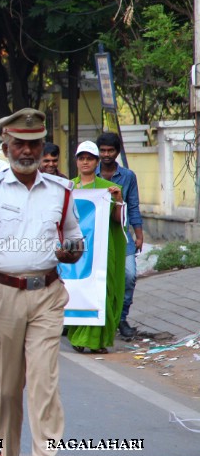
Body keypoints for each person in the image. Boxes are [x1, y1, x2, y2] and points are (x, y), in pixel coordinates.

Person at [0, 108, 84, 456]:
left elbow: (74, 240)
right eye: (20, 144)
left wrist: (70, 252)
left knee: (45, 383)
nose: (28, 151)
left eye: (34, 144)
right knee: (6, 387)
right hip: (0, 294)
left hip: (47, 293)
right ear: (6, 147)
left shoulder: (61, 191)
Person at [65, 141, 125, 355]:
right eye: (81, 158)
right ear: (76, 161)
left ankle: (98, 340)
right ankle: (79, 337)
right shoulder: (68, 187)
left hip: (101, 250)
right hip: (76, 250)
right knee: (78, 289)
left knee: (103, 290)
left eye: (89, 158)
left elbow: (118, 221)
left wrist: (118, 199)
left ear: (96, 162)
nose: (85, 162)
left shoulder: (105, 188)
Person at [96, 132, 143, 342]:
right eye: (102, 150)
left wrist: (139, 234)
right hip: (95, 236)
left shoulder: (128, 176)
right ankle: (98, 319)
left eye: (110, 151)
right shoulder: (90, 173)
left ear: (117, 152)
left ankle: (122, 319)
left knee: (129, 275)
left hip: (122, 235)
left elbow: (133, 206)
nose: (106, 154)